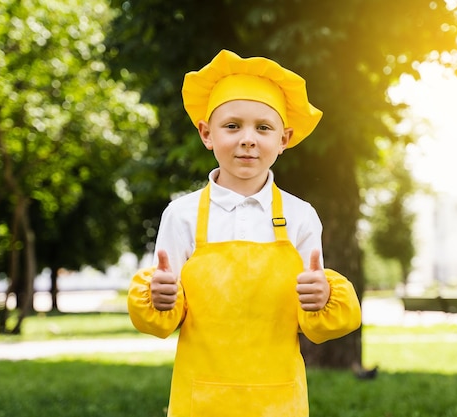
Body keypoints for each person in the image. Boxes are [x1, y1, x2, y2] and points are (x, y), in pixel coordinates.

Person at [127, 49, 362, 417]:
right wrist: (160, 298)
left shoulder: (301, 217)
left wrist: (322, 296)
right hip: (199, 401)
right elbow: (164, 317)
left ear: (284, 139)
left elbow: (314, 323)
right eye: (232, 126)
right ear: (206, 134)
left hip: (279, 400)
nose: (248, 139)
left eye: (263, 128)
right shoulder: (181, 215)